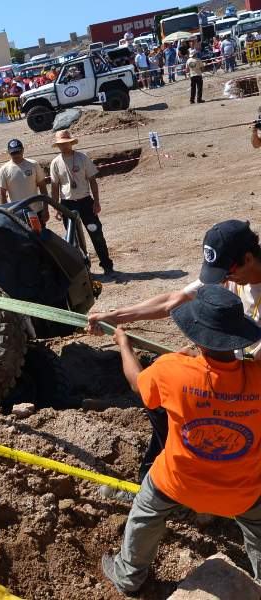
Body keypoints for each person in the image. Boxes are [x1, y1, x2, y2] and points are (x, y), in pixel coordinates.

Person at [101, 285, 261, 595]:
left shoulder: (171, 370)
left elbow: (138, 384)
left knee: (145, 514)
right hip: (243, 490)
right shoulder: (257, 377)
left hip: (178, 482)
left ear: (196, 335)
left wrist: (124, 344)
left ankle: (128, 575)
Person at [50, 130, 113, 275]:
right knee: (74, 240)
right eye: (61, 144)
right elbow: (54, 187)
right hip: (67, 205)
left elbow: (92, 180)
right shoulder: (55, 163)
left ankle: (107, 265)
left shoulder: (82, 158)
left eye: (66, 143)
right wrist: (56, 208)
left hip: (85, 203)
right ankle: (84, 269)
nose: (64, 146)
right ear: (58, 146)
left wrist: (96, 202)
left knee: (96, 233)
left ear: (71, 143)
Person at [0, 139, 49, 222]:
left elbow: (43, 188)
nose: (16, 155)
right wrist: (6, 216)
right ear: (9, 153)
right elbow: (2, 194)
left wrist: (46, 209)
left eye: (18, 151)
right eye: (13, 153)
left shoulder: (33, 164)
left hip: (36, 211)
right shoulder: (4, 170)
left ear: (23, 150)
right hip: (17, 214)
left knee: (40, 234)